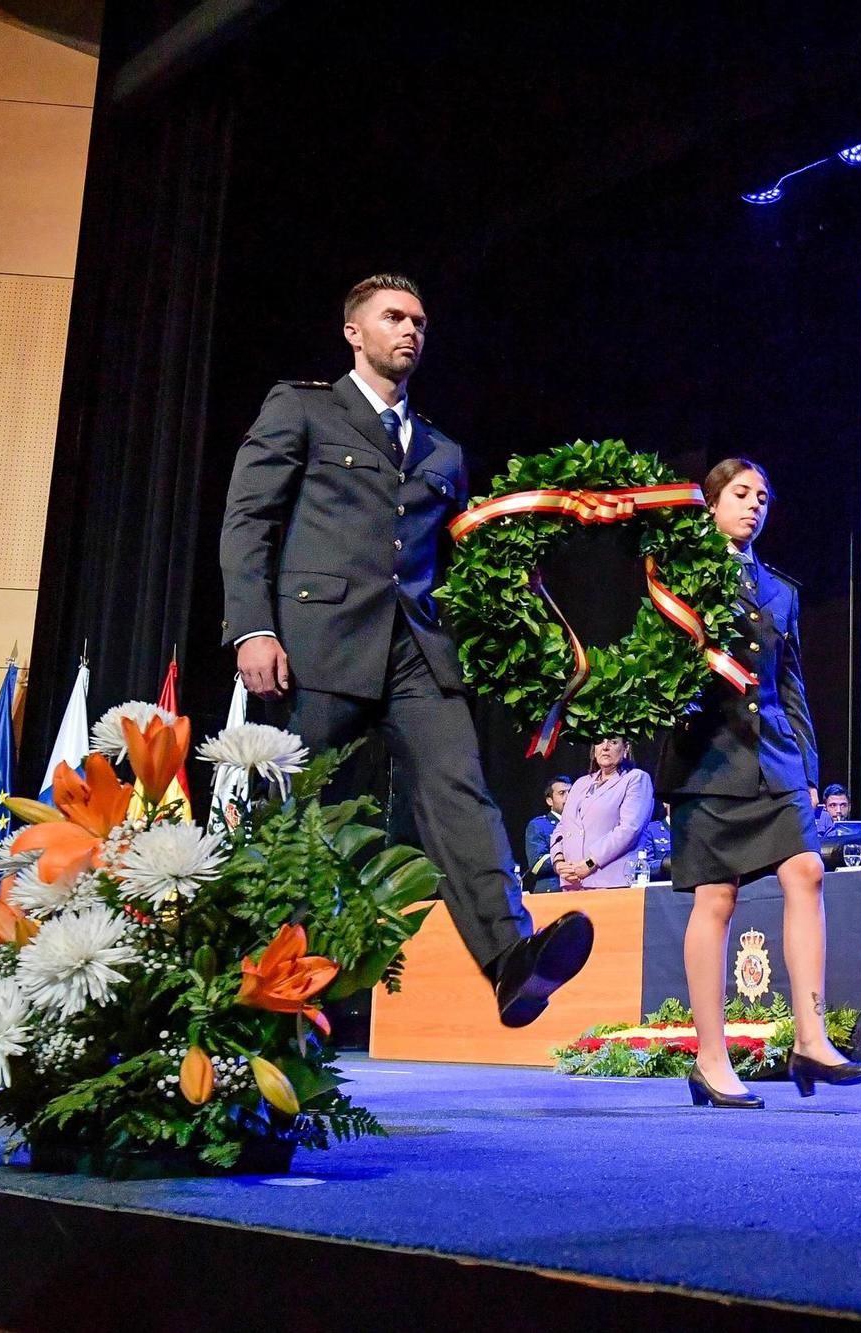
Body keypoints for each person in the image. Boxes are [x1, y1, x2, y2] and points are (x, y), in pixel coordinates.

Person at [219, 273, 592, 1029]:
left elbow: (463, 564)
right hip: (316, 646)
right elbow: (248, 518)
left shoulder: (445, 451)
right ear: (354, 331)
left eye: (419, 320)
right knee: (292, 818)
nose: (410, 330)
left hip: (417, 650)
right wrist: (252, 627)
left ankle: (510, 957)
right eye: (394, 317)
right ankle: (260, 990)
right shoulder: (303, 408)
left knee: (460, 787)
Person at [657, 458, 861, 1108]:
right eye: (741, 494)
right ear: (713, 503)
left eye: (762, 497)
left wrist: (807, 768)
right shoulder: (681, 576)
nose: (754, 505)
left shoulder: (781, 590)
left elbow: (793, 684)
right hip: (708, 759)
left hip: (774, 753)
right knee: (716, 899)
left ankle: (811, 1036)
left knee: (806, 869)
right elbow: (657, 670)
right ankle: (712, 1059)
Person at [551, 739, 654, 889]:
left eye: (613, 742)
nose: (605, 747)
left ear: (625, 748)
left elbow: (629, 829)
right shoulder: (581, 783)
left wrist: (591, 863)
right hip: (572, 883)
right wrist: (559, 862)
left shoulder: (635, 778)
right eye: (600, 742)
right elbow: (562, 826)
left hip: (613, 882)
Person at [523, 777, 572, 893]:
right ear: (549, 801)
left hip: (580, 889)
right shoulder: (539, 825)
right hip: (553, 891)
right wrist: (571, 856)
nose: (569, 797)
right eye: (562, 793)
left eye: (571, 792)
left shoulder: (582, 823)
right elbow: (537, 864)